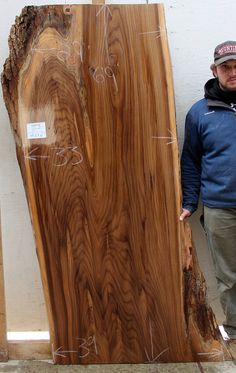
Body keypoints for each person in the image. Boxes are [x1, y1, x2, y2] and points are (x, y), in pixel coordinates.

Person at [180, 40, 236, 339]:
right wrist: (190, 201)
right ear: (215, 70)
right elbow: (190, 160)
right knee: (228, 276)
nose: (232, 72)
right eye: (226, 67)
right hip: (220, 208)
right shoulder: (199, 113)